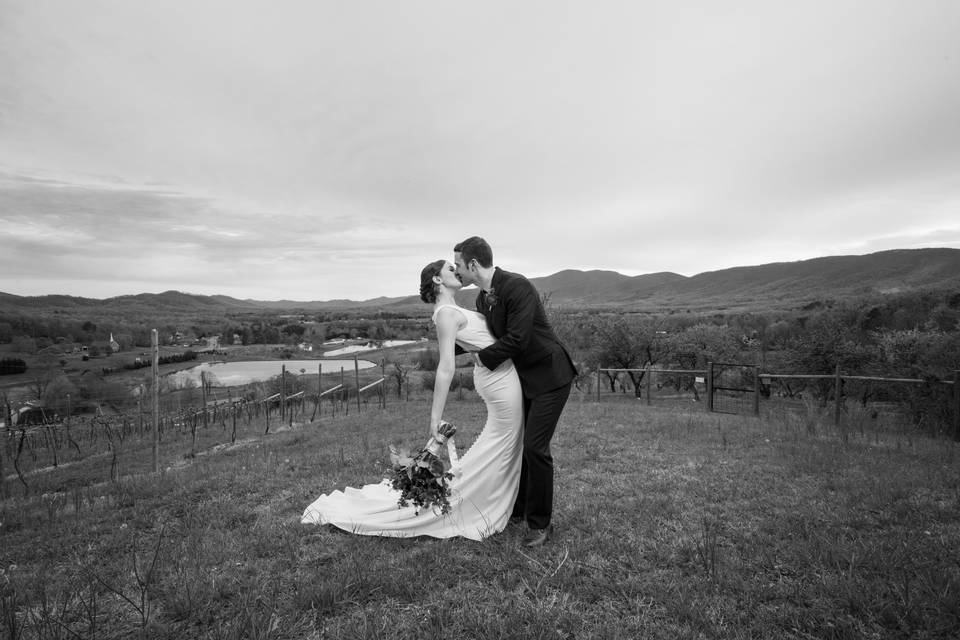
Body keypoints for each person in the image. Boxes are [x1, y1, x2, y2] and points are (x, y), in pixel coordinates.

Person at [300, 260, 523, 540]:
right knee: (505, 439)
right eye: (450, 268)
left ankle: (492, 496)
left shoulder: (454, 308)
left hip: (499, 375)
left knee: (504, 440)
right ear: (437, 280)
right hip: (498, 382)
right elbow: (445, 366)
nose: (457, 270)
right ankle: (480, 500)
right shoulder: (444, 314)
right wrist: (434, 418)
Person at [453, 236, 577, 548]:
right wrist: (447, 343)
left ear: (473, 264)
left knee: (536, 447)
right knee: (518, 444)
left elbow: (519, 339)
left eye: (458, 266)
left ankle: (540, 524)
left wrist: (483, 359)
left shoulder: (516, 286)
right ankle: (518, 508)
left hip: (550, 374)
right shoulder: (482, 299)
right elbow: (482, 334)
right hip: (523, 379)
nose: (456, 272)